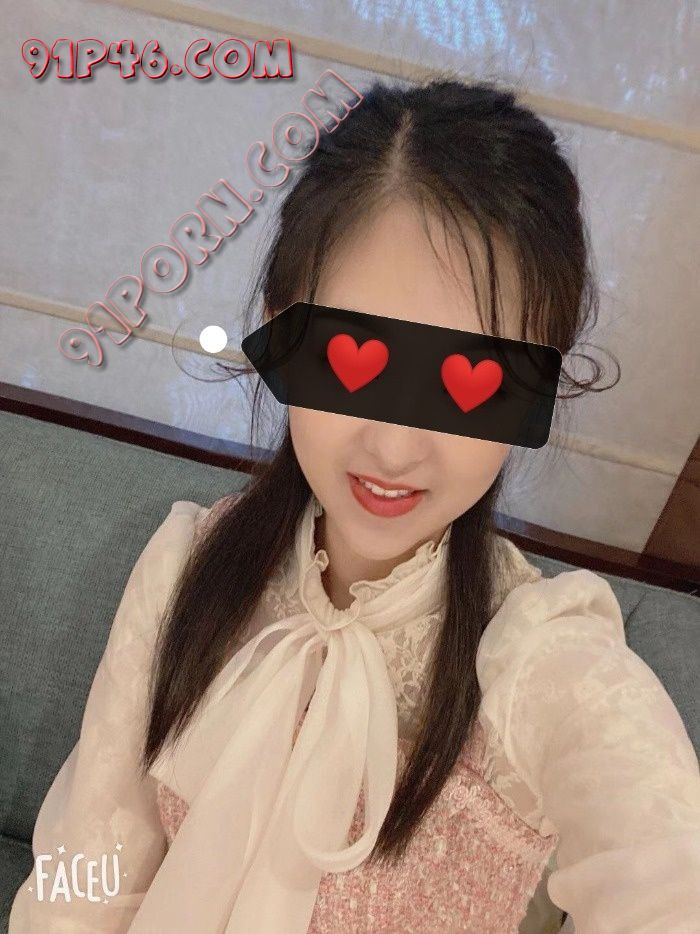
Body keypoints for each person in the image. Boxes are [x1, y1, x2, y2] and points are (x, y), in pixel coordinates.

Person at [10, 75, 700, 934]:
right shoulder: (188, 567)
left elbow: (672, 876)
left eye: (469, 381)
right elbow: (86, 869)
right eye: (354, 359)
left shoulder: (542, 662)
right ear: (282, 332)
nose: (396, 448)